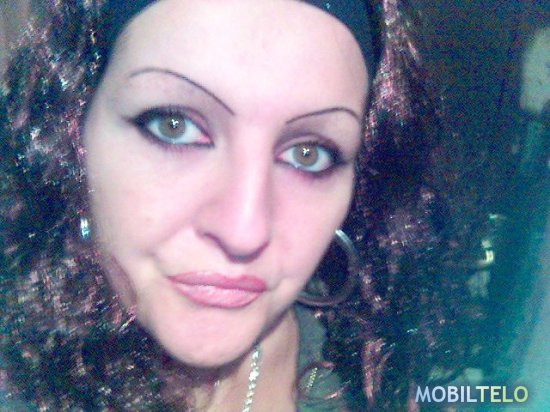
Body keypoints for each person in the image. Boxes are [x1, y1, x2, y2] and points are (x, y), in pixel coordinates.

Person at [0, 0, 479, 410]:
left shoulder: (372, 365)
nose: (243, 230)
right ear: (72, 136)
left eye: (308, 154)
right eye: (174, 126)